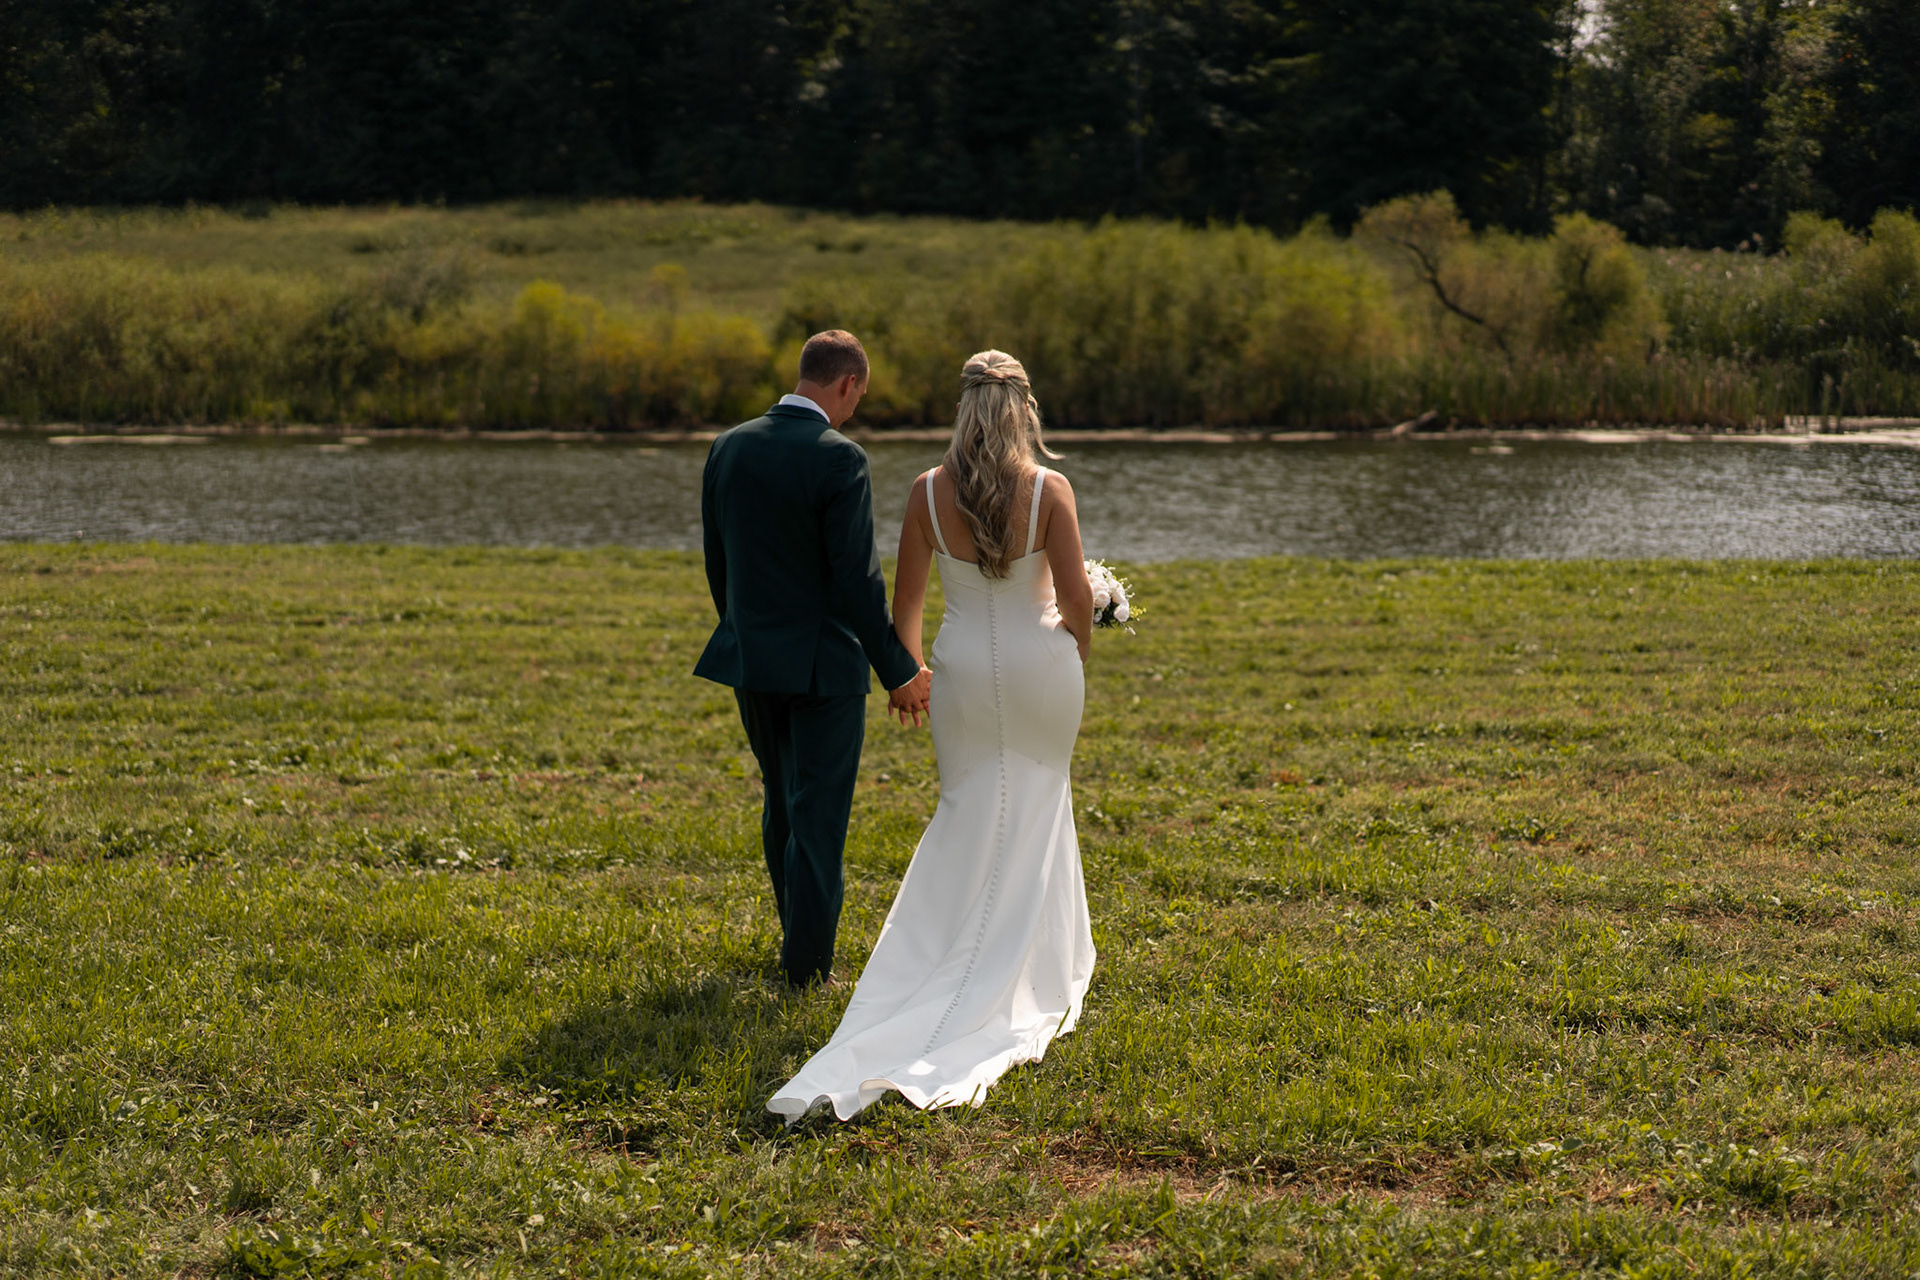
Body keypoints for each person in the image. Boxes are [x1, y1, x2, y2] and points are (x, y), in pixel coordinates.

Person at [769, 349, 1097, 1122]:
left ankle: (942, 959)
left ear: (962, 410)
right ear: (1023, 411)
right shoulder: (1050, 489)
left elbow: (906, 605)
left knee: (965, 809)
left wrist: (909, 676)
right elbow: (1077, 596)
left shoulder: (925, 491)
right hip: (1042, 669)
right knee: (1040, 800)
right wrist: (1074, 646)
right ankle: (1023, 967)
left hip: (961, 677)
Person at [694, 330, 932, 990]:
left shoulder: (728, 446)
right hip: (824, 668)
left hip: (751, 659)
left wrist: (743, 630)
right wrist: (900, 672)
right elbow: (857, 583)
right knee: (819, 816)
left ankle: (796, 945)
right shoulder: (840, 458)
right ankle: (807, 970)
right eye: (860, 396)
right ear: (848, 384)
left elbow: (718, 560)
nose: (855, 409)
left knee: (782, 803)